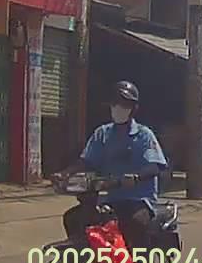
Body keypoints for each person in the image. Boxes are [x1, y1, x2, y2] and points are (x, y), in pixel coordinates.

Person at [56, 81, 168, 254]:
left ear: (133, 108)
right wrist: (65, 174)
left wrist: (136, 178)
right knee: (73, 218)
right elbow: (86, 161)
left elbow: (155, 166)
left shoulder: (144, 135)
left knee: (135, 223)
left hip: (138, 200)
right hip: (108, 199)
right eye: (115, 103)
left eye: (124, 104)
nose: (118, 108)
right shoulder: (102, 133)